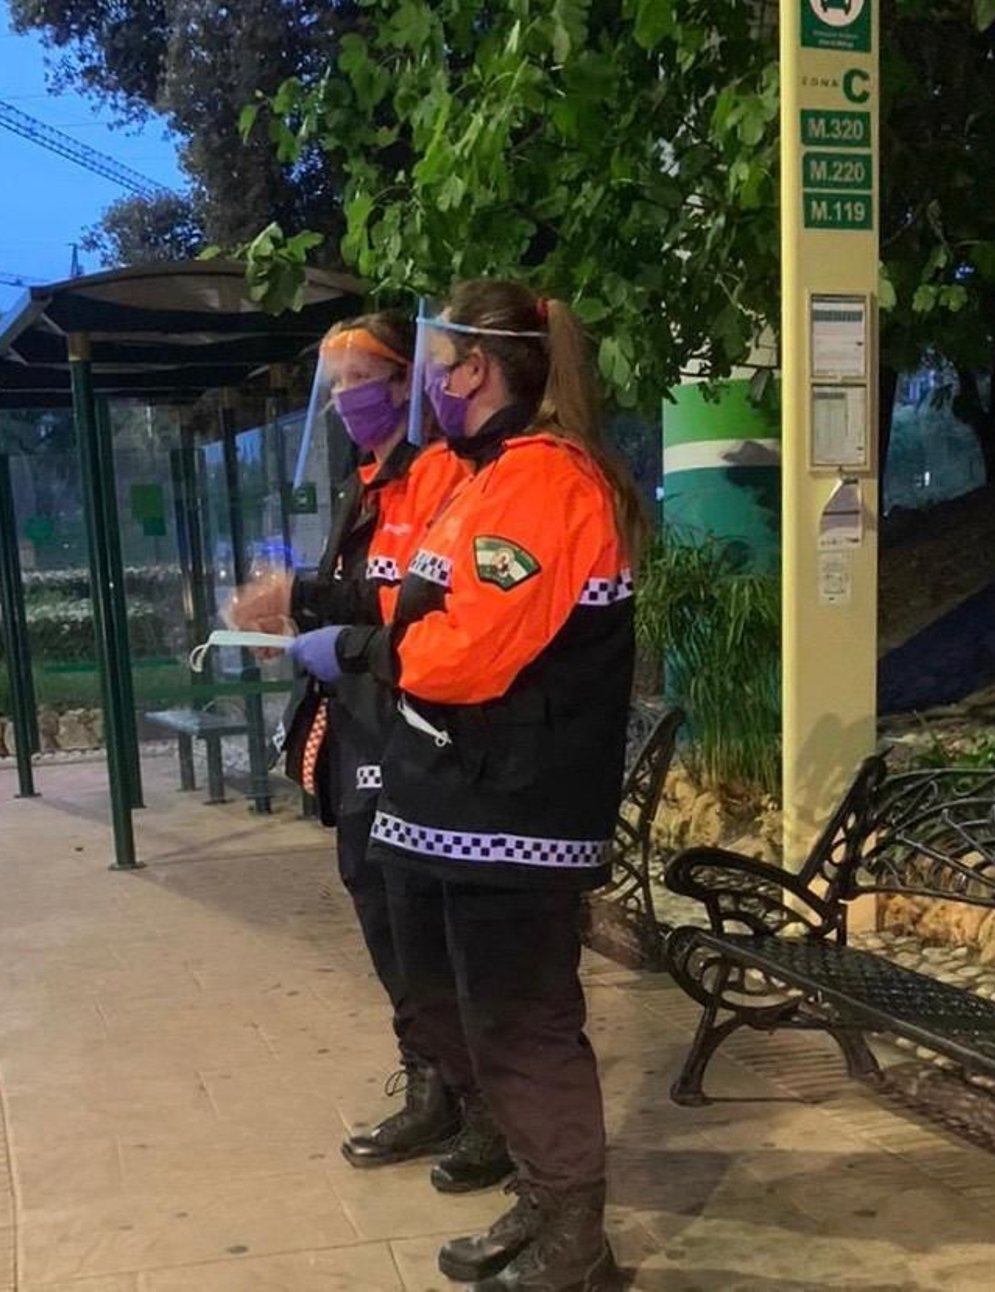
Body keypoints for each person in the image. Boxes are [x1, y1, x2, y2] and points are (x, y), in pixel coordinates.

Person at [287, 280, 645, 1292]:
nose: (422, 392)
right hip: (475, 800)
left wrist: (353, 648)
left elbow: (462, 655)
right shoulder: (492, 476)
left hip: (516, 806)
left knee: (527, 1023)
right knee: (498, 1019)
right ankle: (544, 1199)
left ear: (474, 368)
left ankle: (577, 1238)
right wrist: (357, 623)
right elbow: (427, 603)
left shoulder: (543, 481)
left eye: (433, 369)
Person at [227, 312, 509, 1187]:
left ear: (404, 383)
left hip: (412, 729)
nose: (345, 398)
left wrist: (309, 602)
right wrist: (295, 610)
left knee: (420, 919)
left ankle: (482, 1104)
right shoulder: (372, 483)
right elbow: (366, 593)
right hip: (361, 724)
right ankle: (435, 1084)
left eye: (360, 378)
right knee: (384, 913)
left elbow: (409, 603)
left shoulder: (439, 477)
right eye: (337, 383)